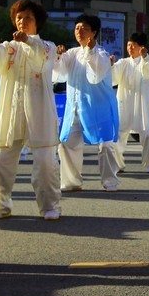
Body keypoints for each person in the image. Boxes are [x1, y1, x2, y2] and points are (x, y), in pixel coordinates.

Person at [0, 0, 61, 221]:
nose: (22, 21)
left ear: (37, 22)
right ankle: (0, 204)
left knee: (45, 162)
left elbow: (42, 62)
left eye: (28, 18)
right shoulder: (9, 48)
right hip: (12, 111)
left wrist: (28, 41)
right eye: (19, 18)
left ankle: (50, 205)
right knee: (0, 161)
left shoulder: (47, 47)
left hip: (39, 111)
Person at [55, 14, 121, 193]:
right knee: (67, 143)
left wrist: (90, 52)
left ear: (94, 32)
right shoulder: (71, 54)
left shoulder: (101, 54)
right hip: (75, 108)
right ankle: (72, 181)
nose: (79, 31)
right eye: (77, 28)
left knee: (105, 144)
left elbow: (95, 76)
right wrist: (58, 57)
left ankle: (110, 180)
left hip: (98, 108)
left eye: (84, 28)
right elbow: (58, 74)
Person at [112, 32, 149, 172]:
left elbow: (148, 74)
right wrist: (111, 65)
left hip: (142, 105)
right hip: (125, 103)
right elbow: (113, 79)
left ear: (141, 47)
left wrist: (145, 57)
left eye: (133, 45)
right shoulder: (123, 63)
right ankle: (118, 164)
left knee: (148, 134)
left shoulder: (148, 61)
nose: (130, 48)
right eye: (128, 45)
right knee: (118, 135)